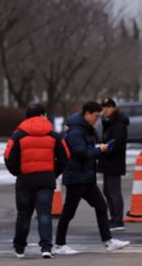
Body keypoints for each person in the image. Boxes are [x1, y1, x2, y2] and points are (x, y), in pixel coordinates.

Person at [55, 101, 130, 254]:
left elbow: (85, 149)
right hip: (77, 177)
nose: (97, 119)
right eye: (95, 116)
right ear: (87, 114)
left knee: (101, 207)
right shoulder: (76, 131)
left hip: (85, 177)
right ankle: (59, 245)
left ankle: (109, 241)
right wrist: (99, 150)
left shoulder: (85, 129)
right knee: (69, 212)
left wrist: (97, 148)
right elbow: (81, 153)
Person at [4, 104, 70, 258]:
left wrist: (18, 173)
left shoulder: (18, 135)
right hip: (45, 180)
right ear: (42, 116)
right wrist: (53, 173)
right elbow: (65, 157)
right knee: (44, 214)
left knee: (23, 214)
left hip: (25, 180)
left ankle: (19, 248)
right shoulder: (53, 135)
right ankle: (46, 248)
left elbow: (8, 157)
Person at [98, 98, 130, 231]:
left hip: (114, 162)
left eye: (107, 107)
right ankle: (114, 218)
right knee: (107, 191)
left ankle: (118, 220)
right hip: (108, 161)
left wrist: (103, 151)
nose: (105, 110)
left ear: (114, 108)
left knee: (114, 192)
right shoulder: (109, 122)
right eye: (103, 107)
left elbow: (116, 144)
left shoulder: (118, 123)